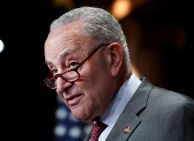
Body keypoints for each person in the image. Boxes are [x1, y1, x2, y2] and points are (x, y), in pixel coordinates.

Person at [43, 6, 194, 141]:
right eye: (54, 71)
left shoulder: (172, 114)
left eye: (72, 64)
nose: (60, 87)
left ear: (113, 58)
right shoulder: (92, 136)